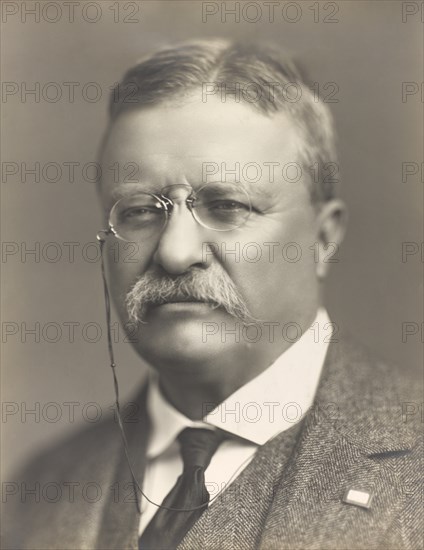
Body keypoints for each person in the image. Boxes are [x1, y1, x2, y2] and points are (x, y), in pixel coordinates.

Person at [4, 39, 421, 550]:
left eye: (226, 206)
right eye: (139, 211)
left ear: (323, 238)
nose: (176, 253)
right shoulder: (39, 490)